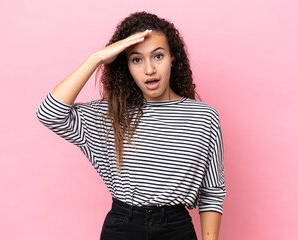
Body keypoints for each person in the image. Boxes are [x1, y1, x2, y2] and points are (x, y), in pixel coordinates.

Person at [36, 11, 226, 240]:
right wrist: (95, 59)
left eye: (158, 56)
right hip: (122, 227)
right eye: (136, 59)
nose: (149, 70)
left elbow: (212, 192)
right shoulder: (110, 114)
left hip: (176, 229)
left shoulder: (203, 117)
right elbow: (49, 113)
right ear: (126, 66)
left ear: (172, 58)